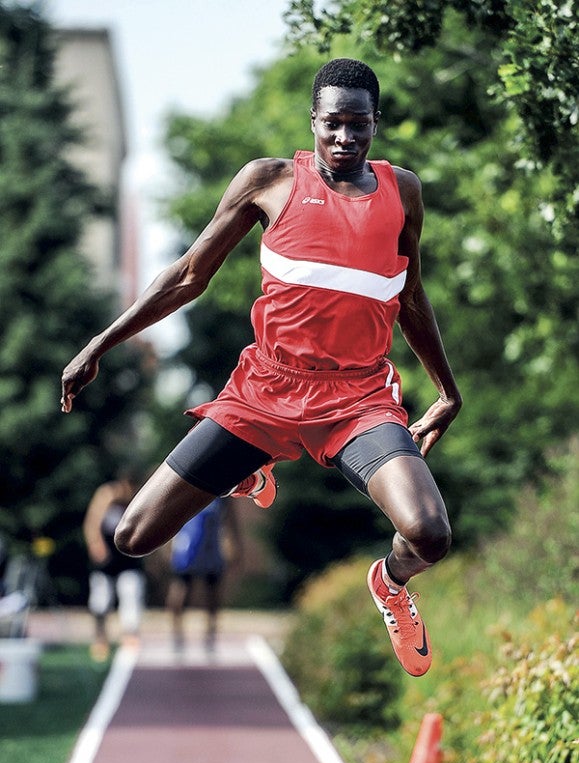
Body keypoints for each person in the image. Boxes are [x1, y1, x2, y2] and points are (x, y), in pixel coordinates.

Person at [62, 57, 462, 677]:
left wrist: (446, 390)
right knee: (133, 536)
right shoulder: (268, 182)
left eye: (360, 126)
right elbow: (189, 274)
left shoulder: (401, 192)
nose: (345, 139)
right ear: (313, 121)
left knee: (430, 532)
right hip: (263, 395)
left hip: (356, 401)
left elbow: (409, 295)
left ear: (376, 125)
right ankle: (248, 465)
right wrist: (99, 343)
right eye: (333, 124)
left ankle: (387, 581)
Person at [82, 472, 146, 659]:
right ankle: (100, 639)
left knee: (131, 592)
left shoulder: (137, 497)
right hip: (107, 553)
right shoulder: (106, 494)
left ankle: (130, 635)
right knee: (101, 599)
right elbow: (92, 524)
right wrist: (96, 545)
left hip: (128, 554)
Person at [166, 496, 241, 653]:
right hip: (188, 545)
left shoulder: (223, 491)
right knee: (180, 591)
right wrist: (168, 545)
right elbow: (170, 513)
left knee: (212, 593)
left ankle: (210, 636)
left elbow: (231, 519)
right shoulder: (188, 483)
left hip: (211, 546)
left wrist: (234, 545)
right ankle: (177, 635)